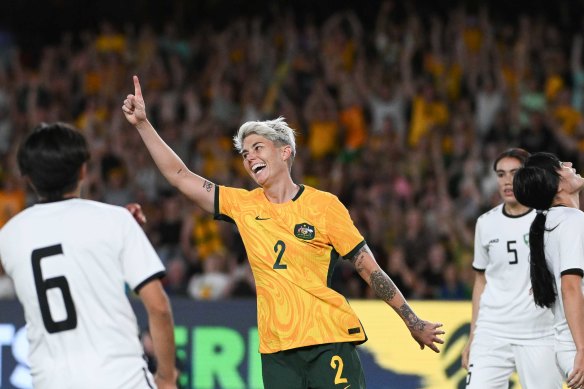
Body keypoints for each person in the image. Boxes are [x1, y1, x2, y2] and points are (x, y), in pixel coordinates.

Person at [122, 75, 444, 388]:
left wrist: (411, 322)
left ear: (284, 152)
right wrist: (143, 125)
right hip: (276, 353)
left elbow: (367, 267)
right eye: (245, 154)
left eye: (258, 148)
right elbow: (181, 176)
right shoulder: (243, 205)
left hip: (327, 340)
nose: (250, 158)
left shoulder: (324, 206)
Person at [0, 123, 177, 389]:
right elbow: (158, 306)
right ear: (83, 169)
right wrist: (166, 377)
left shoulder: (9, 236)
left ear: (27, 177)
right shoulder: (115, 221)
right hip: (121, 379)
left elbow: (56, 244)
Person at [461, 148, 562, 388]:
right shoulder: (485, 223)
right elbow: (480, 281)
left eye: (515, 173)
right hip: (492, 331)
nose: (507, 181)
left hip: (539, 333)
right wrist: (472, 337)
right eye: (501, 174)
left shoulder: (549, 219)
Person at [513, 152, 584, 389]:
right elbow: (570, 287)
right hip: (578, 347)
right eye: (561, 166)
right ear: (556, 184)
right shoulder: (573, 221)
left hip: (566, 345)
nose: (570, 165)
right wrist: (582, 350)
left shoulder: (547, 225)